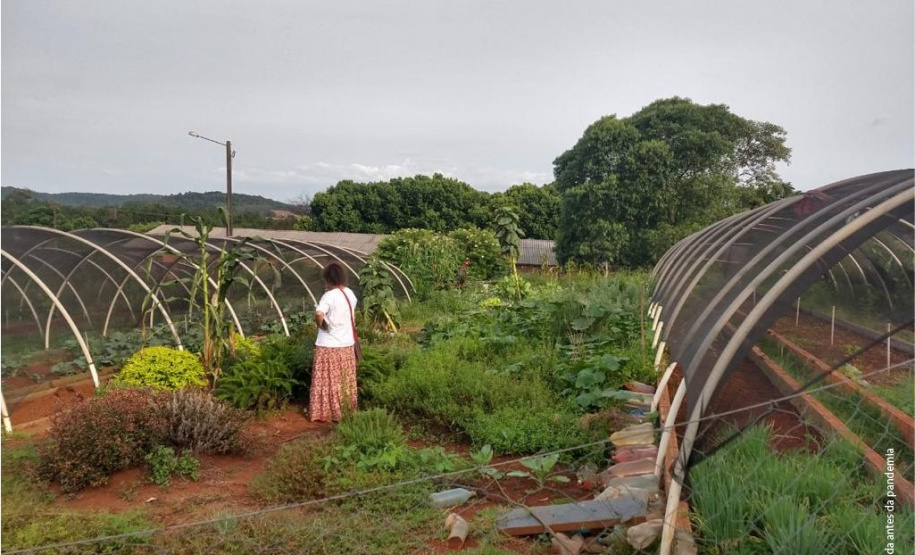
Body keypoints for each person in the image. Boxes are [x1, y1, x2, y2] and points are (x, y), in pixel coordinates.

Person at [309, 262, 358, 422]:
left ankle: (326, 412)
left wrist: (321, 324)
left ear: (327, 278)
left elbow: (318, 313)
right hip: (346, 344)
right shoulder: (350, 293)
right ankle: (344, 410)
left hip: (329, 345)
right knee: (344, 380)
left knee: (327, 380)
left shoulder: (328, 296)